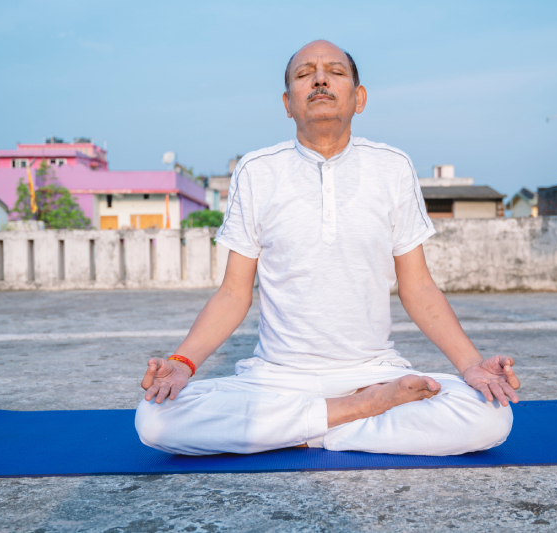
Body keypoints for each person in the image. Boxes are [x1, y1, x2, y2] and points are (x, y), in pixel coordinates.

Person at [135, 40, 520, 456]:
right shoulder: (257, 171)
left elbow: (419, 286)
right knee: (155, 420)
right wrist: (183, 362)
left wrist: (470, 365)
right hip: (277, 377)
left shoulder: (392, 167)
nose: (319, 78)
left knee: (490, 417)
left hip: (373, 372)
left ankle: (301, 428)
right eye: (304, 74)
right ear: (287, 103)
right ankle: (357, 414)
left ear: (360, 97)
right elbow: (233, 293)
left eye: (335, 72)